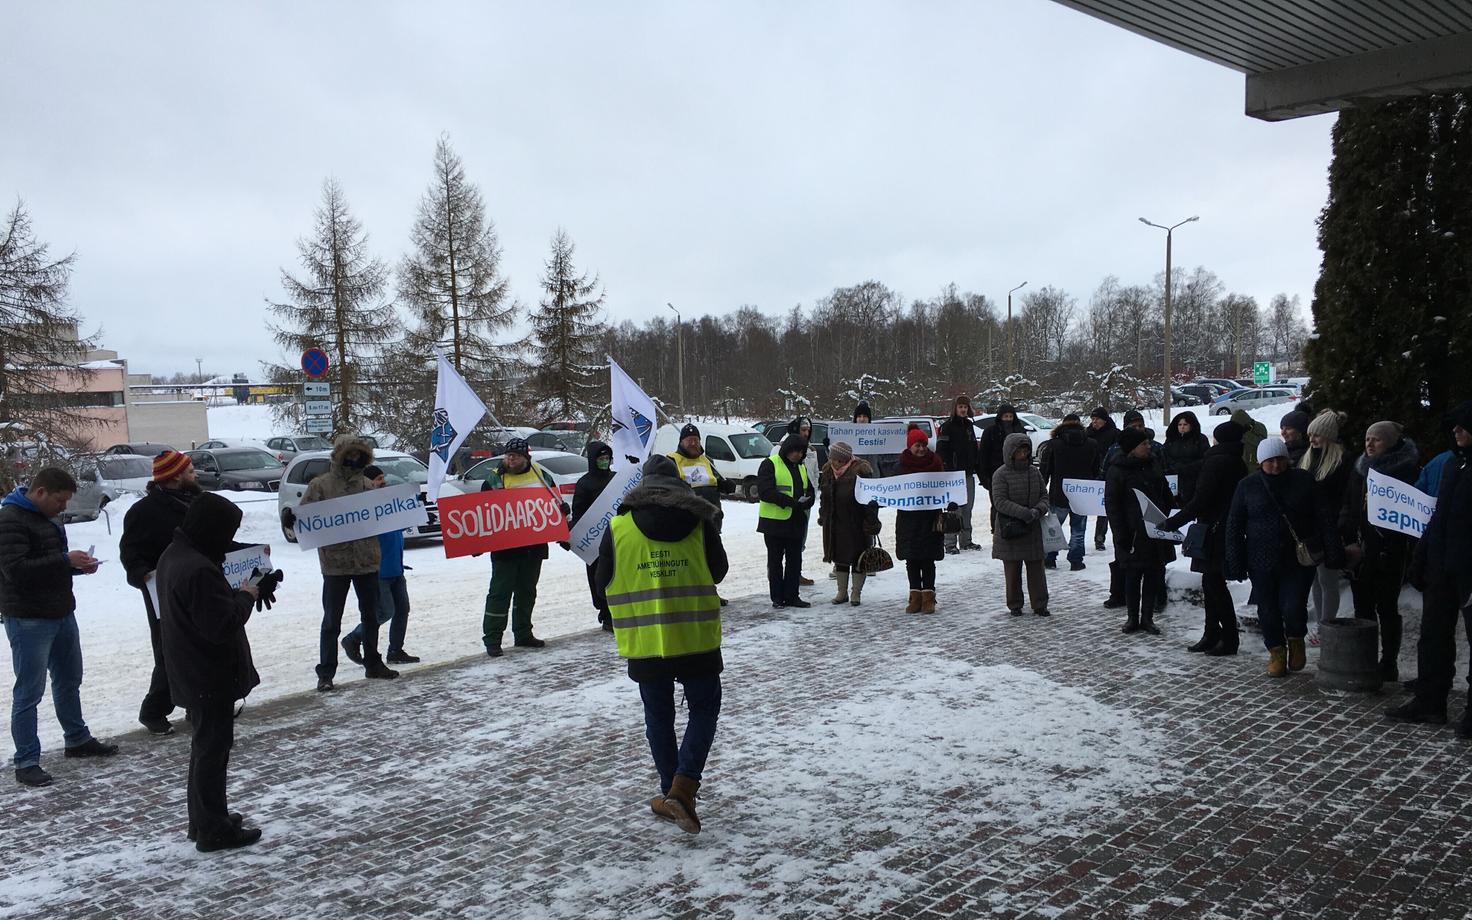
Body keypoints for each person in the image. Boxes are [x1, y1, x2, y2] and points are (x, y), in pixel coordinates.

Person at [596, 455, 727, 835]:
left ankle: (671, 790)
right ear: (680, 485)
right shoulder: (700, 523)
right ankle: (683, 788)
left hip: (645, 641)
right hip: (696, 637)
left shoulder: (618, 527)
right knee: (704, 708)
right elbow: (718, 570)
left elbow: (602, 583)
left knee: (659, 717)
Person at [156, 493, 269, 852]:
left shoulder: (176, 555)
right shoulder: (198, 567)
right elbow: (221, 624)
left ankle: (205, 819)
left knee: (206, 747)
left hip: (193, 667)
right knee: (211, 750)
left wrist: (236, 593)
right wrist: (247, 594)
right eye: (227, 531)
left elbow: (206, 610)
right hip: (207, 671)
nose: (229, 538)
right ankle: (213, 829)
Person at [0, 467, 116, 787]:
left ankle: (76, 739)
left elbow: (49, 563)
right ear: (40, 493)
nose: (63, 507)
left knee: (69, 680)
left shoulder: (48, 517)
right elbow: (16, 571)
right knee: (29, 691)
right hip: (28, 618)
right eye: (60, 500)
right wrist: (66, 561)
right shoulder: (10, 519)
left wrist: (78, 568)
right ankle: (26, 760)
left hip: (62, 611)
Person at [1225, 438, 1343, 678]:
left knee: (1293, 605)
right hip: (1260, 559)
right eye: (1270, 461)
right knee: (1267, 609)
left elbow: (1324, 516)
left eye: (1280, 459)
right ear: (1261, 463)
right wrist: (1235, 561)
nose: (1276, 465)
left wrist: (1333, 550)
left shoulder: (1303, 481)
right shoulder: (1247, 486)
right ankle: (1276, 651)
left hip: (1297, 559)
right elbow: (1235, 525)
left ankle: (1296, 638)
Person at [289, 435, 397, 690]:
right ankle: (326, 672)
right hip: (335, 564)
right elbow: (304, 517)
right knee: (331, 621)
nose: (354, 459)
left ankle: (373, 663)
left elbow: (383, 515)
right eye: (349, 454)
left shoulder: (368, 486)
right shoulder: (320, 486)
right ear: (339, 456)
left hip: (367, 561)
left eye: (358, 455)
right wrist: (289, 516)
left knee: (371, 616)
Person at [1393, 401, 1471, 732]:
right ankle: (1430, 700)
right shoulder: (1455, 465)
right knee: (1433, 636)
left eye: (1463, 427)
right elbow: (1438, 516)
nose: (1456, 431)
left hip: (1468, 570)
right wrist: (1422, 557)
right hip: (1441, 566)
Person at [119, 449, 202, 735]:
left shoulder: (198, 503)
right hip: (163, 592)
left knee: (204, 645)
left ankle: (199, 703)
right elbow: (130, 554)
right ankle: (154, 710)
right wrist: (141, 572)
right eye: (190, 471)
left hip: (200, 585)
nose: (196, 475)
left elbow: (217, 539)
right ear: (175, 476)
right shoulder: (143, 512)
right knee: (170, 651)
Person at [1339, 420, 1420, 681]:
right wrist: (1347, 533)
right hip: (1362, 548)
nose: (1370, 444)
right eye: (1367, 439)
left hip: (1391, 549)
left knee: (1386, 606)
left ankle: (1389, 661)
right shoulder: (1360, 468)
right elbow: (1349, 505)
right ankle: (1366, 657)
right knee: (1363, 606)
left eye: (1377, 439)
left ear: (1391, 442)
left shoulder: (1406, 470)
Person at [1162, 421, 1248, 654]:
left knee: (1214, 585)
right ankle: (1211, 634)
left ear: (1217, 439)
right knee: (1211, 584)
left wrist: (1172, 522)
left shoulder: (1216, 461)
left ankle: (1228, 637)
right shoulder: (1237, 460)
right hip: (1226, 529)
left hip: (1212, 530)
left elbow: (1202, 501)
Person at [480, 438, 562, 656]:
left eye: (514, 456)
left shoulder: (541, 476)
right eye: (508, 456)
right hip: (505, 548)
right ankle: (493, 638)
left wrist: (561, 511)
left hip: (533, 546)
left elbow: (554, 502)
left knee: (527, 591)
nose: (510, 459)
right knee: (499, 593)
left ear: (526, 457)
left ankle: (523, 633)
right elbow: (483, 512)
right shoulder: (495, 479)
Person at [341, 466, 419, 665]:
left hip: (396, 568)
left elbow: (401, 525)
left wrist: (413, 510)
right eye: (378, 479)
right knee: (385, 611)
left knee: (402, 609)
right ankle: (353, 638)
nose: (383, 482)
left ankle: (395, 650)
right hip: (378, 570)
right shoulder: (362, 508)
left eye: (383, 478)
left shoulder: (389, 502)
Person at [1105, 428, 1175, 635]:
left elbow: (1164, 491)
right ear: (1131, 449)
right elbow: (1113, 506)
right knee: (1133, 576)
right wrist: (1121, 535)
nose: (1148, 446)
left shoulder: (1153, 463)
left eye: (1147, 443)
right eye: (1143, 444)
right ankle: (1132, 618)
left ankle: (1147, 618)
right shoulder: (1117, 470)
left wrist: (1168, 508)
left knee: (1153, 573)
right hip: (1132, 532)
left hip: (1155, 529)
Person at [1298, 410, 1352, 641]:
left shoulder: (1342, 460)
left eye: (1318, 435)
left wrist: (1341, 528)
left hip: (1331, 528)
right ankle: (1321, 625)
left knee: (1328, 580)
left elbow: (1345, 497)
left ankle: (1327, 626)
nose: (1313, 440)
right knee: (1316, 581)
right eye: (1311, 435)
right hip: (1311, 529)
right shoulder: (1308, 458)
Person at [991, 433, 1052, 617]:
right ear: (1010, 451)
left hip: (1032, 527)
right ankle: (1015, 604)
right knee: (1012, 570)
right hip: (1010, 528)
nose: (1023, 453)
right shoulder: (1000, 474)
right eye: (1020, 450)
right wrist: (1023, 513)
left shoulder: (1034, 472)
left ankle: (1040, 603)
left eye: (1026, 450)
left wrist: (1038, 510)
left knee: (1036, 570)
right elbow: (1000, 502)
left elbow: (1044, 496)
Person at [817, 441, 880, 606]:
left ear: (844, 460)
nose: (833, 463)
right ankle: (842, 592)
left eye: (836, 460)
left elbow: (870, 499)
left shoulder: (861, 471)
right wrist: (823, 515)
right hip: (835, 522)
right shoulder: (827, 471)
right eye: (832, 459)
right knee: (840, 558)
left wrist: (871, 521)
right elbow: (824, 497)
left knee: (859, 558)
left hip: (856, 523)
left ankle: (856, 593)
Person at [757, 434, 814, 608]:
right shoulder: (770, 463)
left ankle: (792, 596)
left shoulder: (801, 467)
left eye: (801, 452)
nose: (797, 455)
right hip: (774, 522)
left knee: (794, 561)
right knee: (775, 562)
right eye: (795, 451)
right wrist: (792, 503)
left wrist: (809, 501)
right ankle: (777, 597)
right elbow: (765, 492)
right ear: (787, 449)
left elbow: (809, 490)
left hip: (796, 521)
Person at [1040, 414, 1100, 571]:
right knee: (1078, 530)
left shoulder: (1053, 444)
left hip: (1058, 493)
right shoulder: (1092, 444)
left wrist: (1041, 490)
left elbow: (1045, 471)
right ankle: (1076, 560)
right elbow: (1096, 471)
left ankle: (1050, 558)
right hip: (1082, 494)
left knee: (1053, 527)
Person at [896, 427, 946, 614]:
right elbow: (891, 488)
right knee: (912, 559)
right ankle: (915, 597)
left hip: (930, 518)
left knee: (928, 559)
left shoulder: (935, 462)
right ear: (910, 446)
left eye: (924, 445)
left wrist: (951, 500)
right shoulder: (900, 465)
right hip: (908, 520)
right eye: (917, 445)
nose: (921, 449)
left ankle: (928, 597)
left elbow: (945, 485)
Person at [571, 440, 616, 631]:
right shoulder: (584, 484)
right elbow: (578, 513)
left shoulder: (616, 478)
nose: (604, 461)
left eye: (607, 458)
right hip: (595, 540)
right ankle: (605, 613)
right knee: (600, 576)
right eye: (601, 458)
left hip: (617, 535)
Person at [936, 395, 982, 553]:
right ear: (955, 408)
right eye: (960, 407)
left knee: (967, 508)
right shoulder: (946, 427)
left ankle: (966, 540)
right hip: (952, 475)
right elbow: (941, 450)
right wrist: (947, 468)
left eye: (965, 407)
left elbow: (973, 448)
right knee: (953, 509)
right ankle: (949, 543)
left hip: (968, 473)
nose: (963, 410)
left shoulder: (969, 425)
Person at [785, 417, 821, 586]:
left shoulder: (811, 450)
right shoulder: (780, 448)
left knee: (800, 540)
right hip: (787, 503)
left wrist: (813, 493)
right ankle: (778, 573)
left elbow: (814, 475)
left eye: (808, 430)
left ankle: (796, 573)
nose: (806, 433)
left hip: (805, 502)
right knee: (784, 542)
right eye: (803, 430)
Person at [1086, 408, 1120, 551]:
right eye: (1092, 419)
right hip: (1092, 473)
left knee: (1106, 508)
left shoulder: (1114, 433)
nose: (1094, 422)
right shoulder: (1087, 433)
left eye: (1097, 419)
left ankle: (1100, 537)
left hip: (1109, 474)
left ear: (1104, 420)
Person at [1164, 411, 1210, 508]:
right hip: (1174, 478)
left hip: (1194, 478)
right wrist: (1173, 466)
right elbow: (1165, 455)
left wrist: (1189, 467)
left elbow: (1206, 458)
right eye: (1180, 424)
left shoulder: (1200, 439)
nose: (1182, 427)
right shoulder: (1171, 439)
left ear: (1191, 425)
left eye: (1185, 424)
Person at [979, 403, 1026, 498]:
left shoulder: (1020, 431)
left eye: (1010, 416)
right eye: (1005, 416)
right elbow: (983, 455)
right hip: (996, 474)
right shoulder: (991, 431)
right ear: (1000, 417)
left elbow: (1026, 453)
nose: (1008, 419)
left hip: (1017, 475)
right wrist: (984, 478)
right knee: (998, 505)